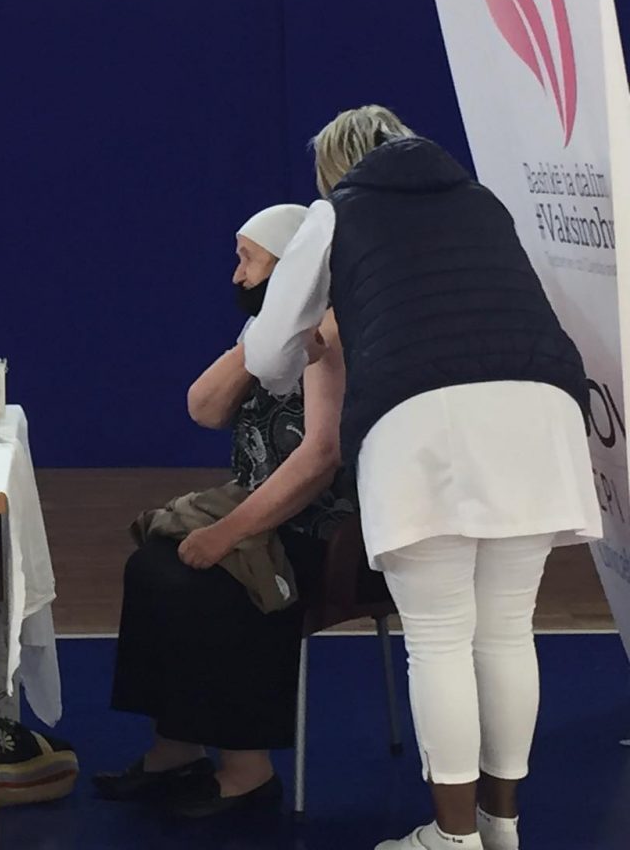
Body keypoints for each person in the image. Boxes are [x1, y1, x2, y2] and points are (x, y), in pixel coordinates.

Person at [244, 106, 599, 850]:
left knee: (438, 639)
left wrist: (303, 351)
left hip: (421, 421)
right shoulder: (481, 200)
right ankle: (500, 826)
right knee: (507, 630)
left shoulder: (335, 213)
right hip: (541, 411)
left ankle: (452, 838)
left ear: (335, 168)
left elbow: (268, 349)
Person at [94, 204, 352, 819]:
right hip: (266, 507)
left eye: (249, 261)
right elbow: (204, 407)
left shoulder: (333, 335)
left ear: (292, 267)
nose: (238, 276)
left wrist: (225, 534)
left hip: (322, 526)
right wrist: (267, 325)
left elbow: (319, 460)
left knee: (218, 581)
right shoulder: (275, 333)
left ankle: (248, 771)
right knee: (152, 567)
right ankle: (176, 748)